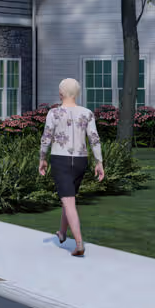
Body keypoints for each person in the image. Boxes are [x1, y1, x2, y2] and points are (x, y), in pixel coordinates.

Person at [39, 78, 105, 258]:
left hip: (61, 159)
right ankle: (62, 232)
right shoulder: (87, 113)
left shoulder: (54, 113)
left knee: (68, 201)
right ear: (77, 94)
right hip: (81, 161)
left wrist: (42, 158)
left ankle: (78, 244)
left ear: (61, 94)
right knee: (69, 199)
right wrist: (99, 162)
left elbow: (46, 138)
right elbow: (94, 138)